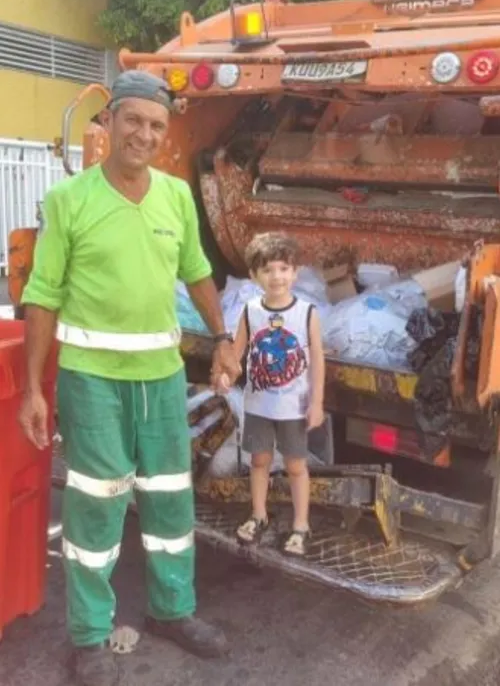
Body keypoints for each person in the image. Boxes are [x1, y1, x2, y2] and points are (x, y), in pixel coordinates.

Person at [18, 70, 241, 686]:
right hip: (92, 382)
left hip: (162, 381)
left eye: (156, 126)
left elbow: (198, 273)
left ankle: (174, 611)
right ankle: (90, 635)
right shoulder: (71, 201)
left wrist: (222, 339)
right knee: (96, 509)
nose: (144, 134)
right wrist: (35, 388)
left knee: (171, 498)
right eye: (133, 120)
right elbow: (43, 294)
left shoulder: (174, 197)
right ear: (109, 122)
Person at [216, 232, 325, 556]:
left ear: (295, 272)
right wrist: (225, 375)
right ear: (254, 276)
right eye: (267, 270)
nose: (276, 276)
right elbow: (237, 352)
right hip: (259, 405)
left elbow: (318, 358)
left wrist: (316, 403)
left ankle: (301, 525)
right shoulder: (250, 311)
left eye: (282, 269)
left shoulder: (307, 312)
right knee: (259, 460)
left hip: (293, 407)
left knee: (295, 466)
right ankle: (259, 515)